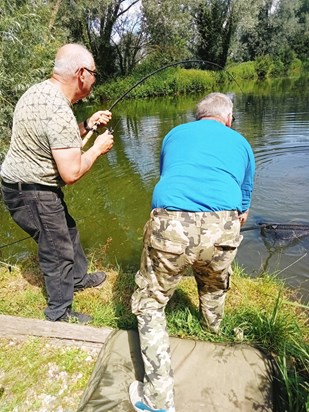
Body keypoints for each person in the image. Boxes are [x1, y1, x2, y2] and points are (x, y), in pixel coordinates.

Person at [129, 92, 255, 412]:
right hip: (222, 227)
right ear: (228, 119)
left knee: (150, 305)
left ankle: (158, 399)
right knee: (214, 286)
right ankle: (213, 331)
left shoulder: (174, 134)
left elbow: (168, 177)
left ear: (197, 116)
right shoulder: (241, 144)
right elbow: (243, 208)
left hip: (172, 223)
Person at [0, 43, 114, 324]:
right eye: (94, 73)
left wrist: (87, 125)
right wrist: (98, 148)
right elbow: (71, 173)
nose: (95, 79)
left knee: (68, 231)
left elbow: (57, 142)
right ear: (81, 74)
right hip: (31, 192)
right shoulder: (59, 110)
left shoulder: (38, 93)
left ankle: (77, 278)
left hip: (21, 186)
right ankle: (59, 313)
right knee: (57, 250)